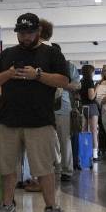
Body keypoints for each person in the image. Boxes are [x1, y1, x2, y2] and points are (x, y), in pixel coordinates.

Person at [0, 13, 71, 212]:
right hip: (8, 120)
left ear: (38, 31)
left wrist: (38, 75)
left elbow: (63, 81)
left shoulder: (52, 54)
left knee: (44, 168)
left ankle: (51, 209)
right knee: (7, 167)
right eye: (21, 33)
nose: (25, 37)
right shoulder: (7, 54)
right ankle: (7, 206)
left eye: (30, 32)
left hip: (40, 121)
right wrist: (8, 74)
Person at [39, 20, 79, 183]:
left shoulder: (69, 66)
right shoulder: (42, 66)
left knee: (64, 139)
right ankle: (54, 167)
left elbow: (76, 85)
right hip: (44, 106)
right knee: (47, 139)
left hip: (63, 107)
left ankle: (67, 170)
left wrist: (60, 83)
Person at [78, 63, 100, 150]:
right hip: (91, 107)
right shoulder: (90, 81)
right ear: (91, 72)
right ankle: (95, 153)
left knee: (84, 131)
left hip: (83, 107)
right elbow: (91, 97)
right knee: (94, 131)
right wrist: (96, 88)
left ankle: (84, 151)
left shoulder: (81, 82)